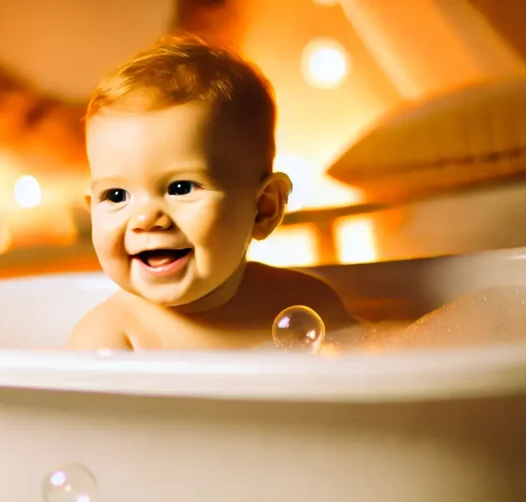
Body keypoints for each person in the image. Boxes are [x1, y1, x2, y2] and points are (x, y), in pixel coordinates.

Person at [69, 35, 355, 350]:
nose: (146, 219)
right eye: (116, 196)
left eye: (180, 188)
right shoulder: (110, 340)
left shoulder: (309, 303)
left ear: (264, 207)